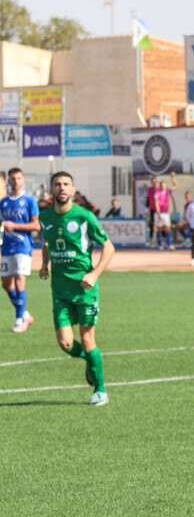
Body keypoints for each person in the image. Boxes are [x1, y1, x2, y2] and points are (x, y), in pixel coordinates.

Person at [38, 172, 115, 406]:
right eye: (57, 185)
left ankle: (100, 390)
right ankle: (90, 361)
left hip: (84, 290)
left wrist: (94, 274)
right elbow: (48, 242)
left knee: (87, 338)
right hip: (59, 291)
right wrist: (44, 265)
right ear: (52, 190)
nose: (61, 188)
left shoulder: (84, 217)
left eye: (66, 185)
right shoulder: (45, 217)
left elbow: (108, 247)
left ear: (73, 190)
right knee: (66, 343)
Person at [1, 168, 41, 332]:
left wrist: (15, 225)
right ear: (9, 181)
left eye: (18, 178)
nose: (16, 181)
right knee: (6, 284)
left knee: (19, 280)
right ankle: (25, 314)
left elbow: (37, 226)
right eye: (13, 179)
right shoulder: (3, 202)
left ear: (23, 180)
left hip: (23, 246)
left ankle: (19, 319)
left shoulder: (29, 200)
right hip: (7, 247)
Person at [152, 178, 175, 250]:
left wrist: (173, 177)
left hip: (165, 213)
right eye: (161, 185)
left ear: (166, 186)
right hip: (159, 213)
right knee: (159, 229)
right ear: (160, 186)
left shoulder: (168, 192)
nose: (163, 186)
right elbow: (156, 204)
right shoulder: (157, 193)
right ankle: (160, 245)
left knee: (168, 228)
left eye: (164, 185)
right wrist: (158, 214)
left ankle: (170, 244)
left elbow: (175, 185)